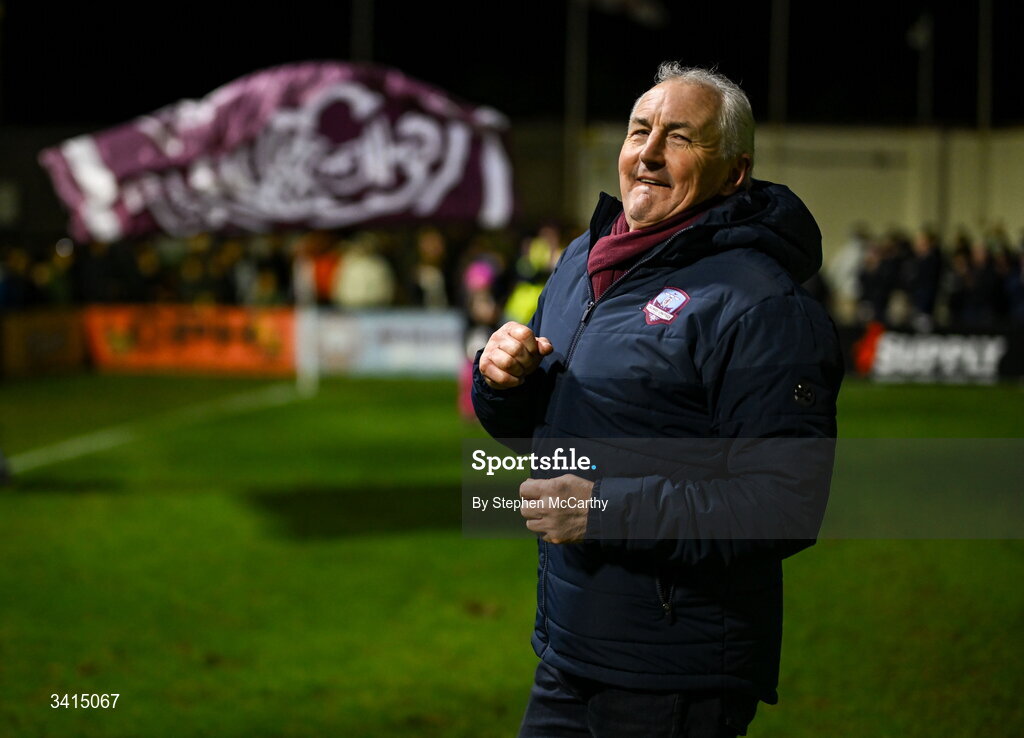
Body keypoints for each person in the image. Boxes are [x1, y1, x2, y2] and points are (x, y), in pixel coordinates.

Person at [472, 63, 844, 738]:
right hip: (568, 651)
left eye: (679, 137)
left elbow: (783, 504)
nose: (647, 151)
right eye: (640, 129)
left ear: (734, 172)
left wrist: (602, 510)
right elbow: (542, 429)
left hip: (675, 674)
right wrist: (501, 381)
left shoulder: (761, 304)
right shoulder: (584, 261)